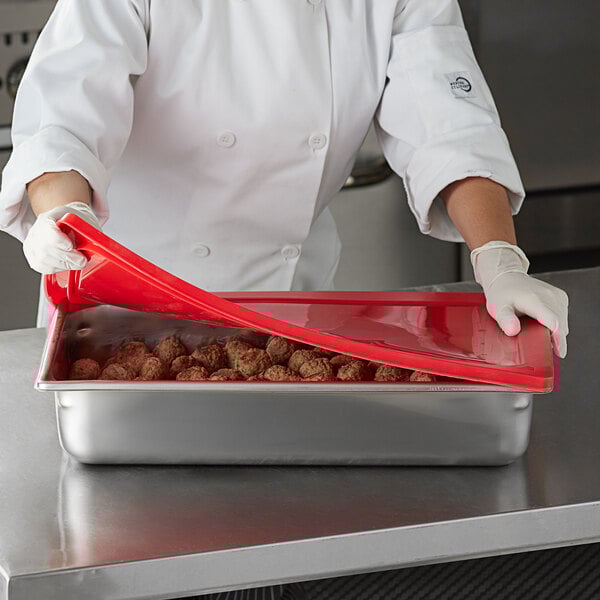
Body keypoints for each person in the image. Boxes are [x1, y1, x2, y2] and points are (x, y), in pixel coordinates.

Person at [0, 1, 569, 598]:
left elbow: (450, 127)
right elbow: (62, 118)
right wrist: (63, 214)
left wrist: (498, 256)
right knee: (118, 556)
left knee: (276, 546)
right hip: (121, 320)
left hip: (283, 327)